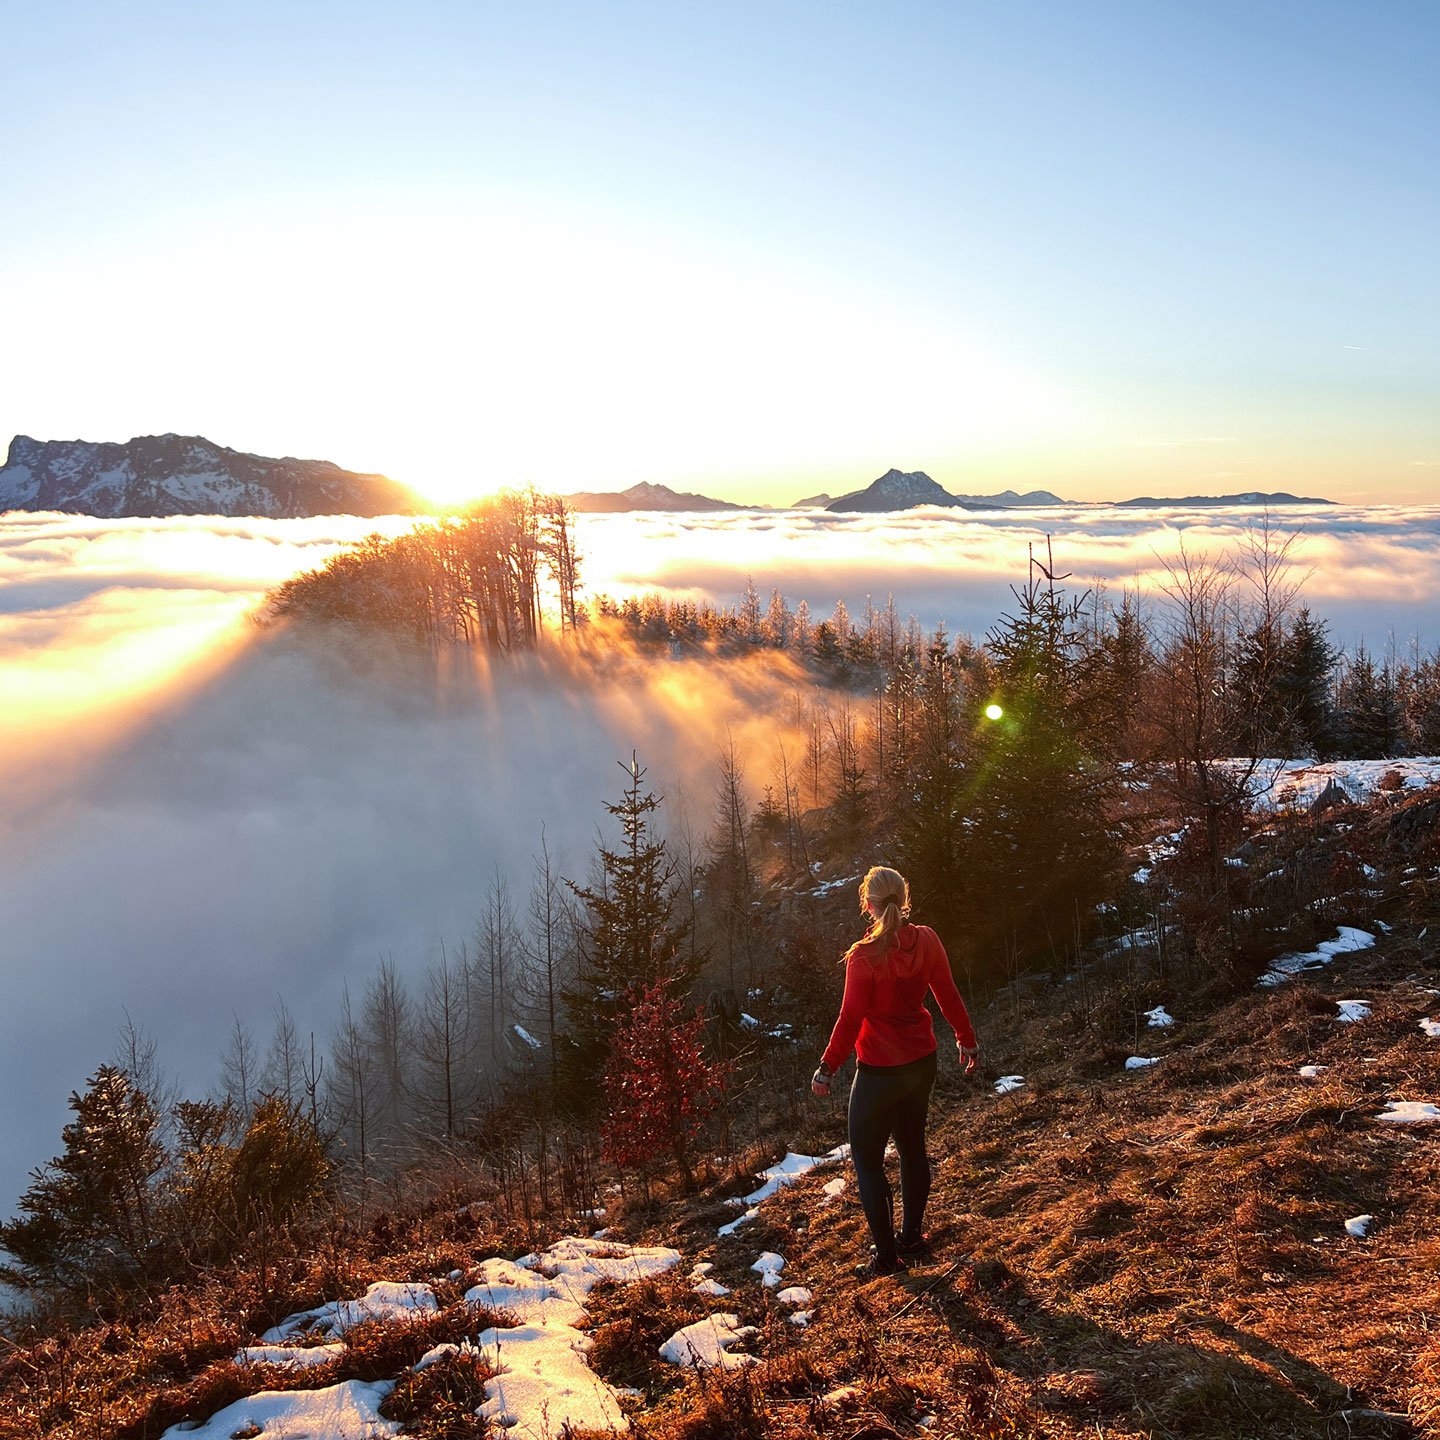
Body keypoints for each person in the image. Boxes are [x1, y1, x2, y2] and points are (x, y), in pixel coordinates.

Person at [811, 865, 978, 1274]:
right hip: (922, 1063)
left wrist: (827, 1067)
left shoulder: (863, 956)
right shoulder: (927, 940)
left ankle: (887, 1259)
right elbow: (947, 993)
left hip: (879, 1072)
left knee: (868, 1163)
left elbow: (850, 1019)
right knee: (911, 1147)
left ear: (868, 905)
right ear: (904, 899)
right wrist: (966, 1038)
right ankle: (912, 1238)